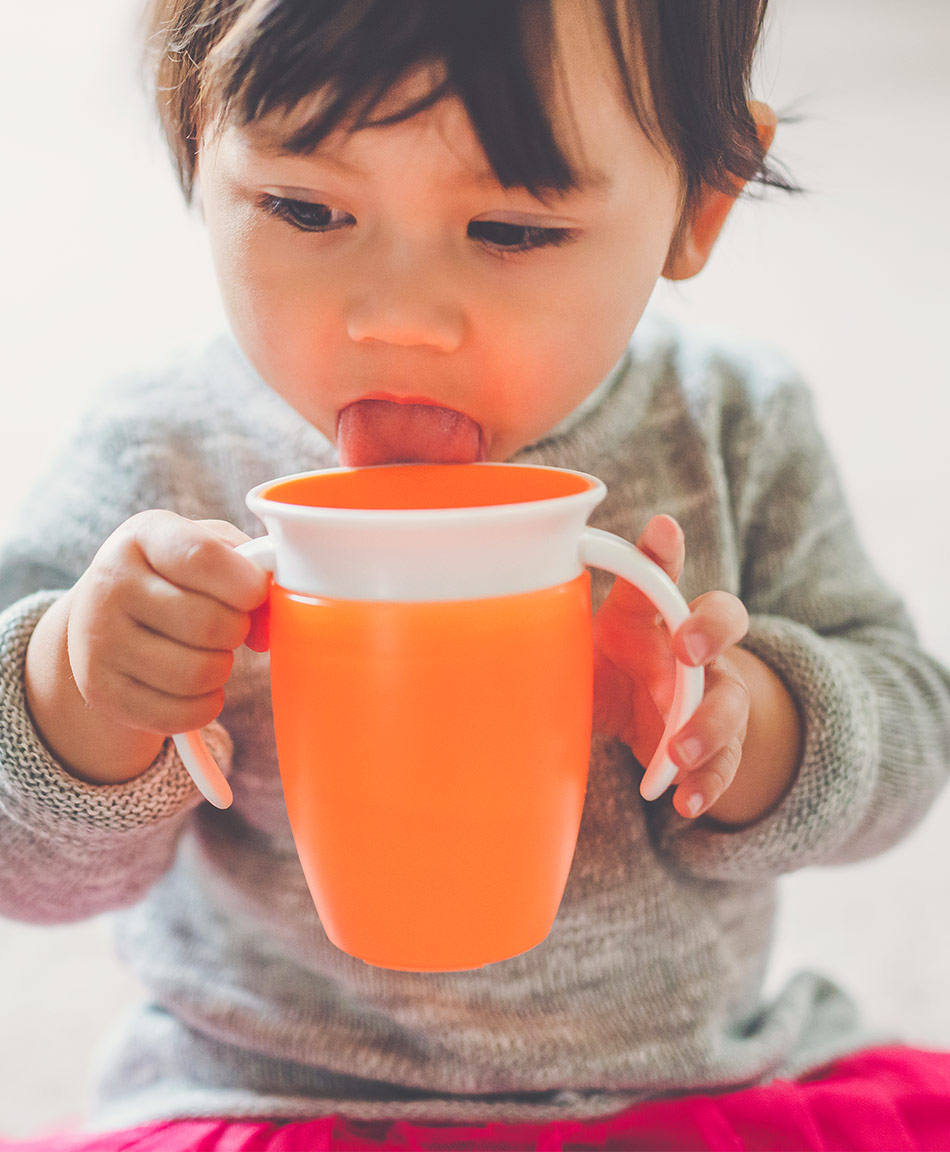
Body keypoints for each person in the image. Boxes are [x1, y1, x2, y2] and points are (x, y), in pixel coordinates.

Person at [1, 1, 949, 1149]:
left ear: (701, 204)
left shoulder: (725, 425)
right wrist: (78, 693)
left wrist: (753, 721)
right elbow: (27, 877)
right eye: (304, 208)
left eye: (509, 230)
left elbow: (908, 733)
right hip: (270, 1105)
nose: (397, 321)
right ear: (199, 146)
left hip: (681, 1096)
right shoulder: (161, 455)